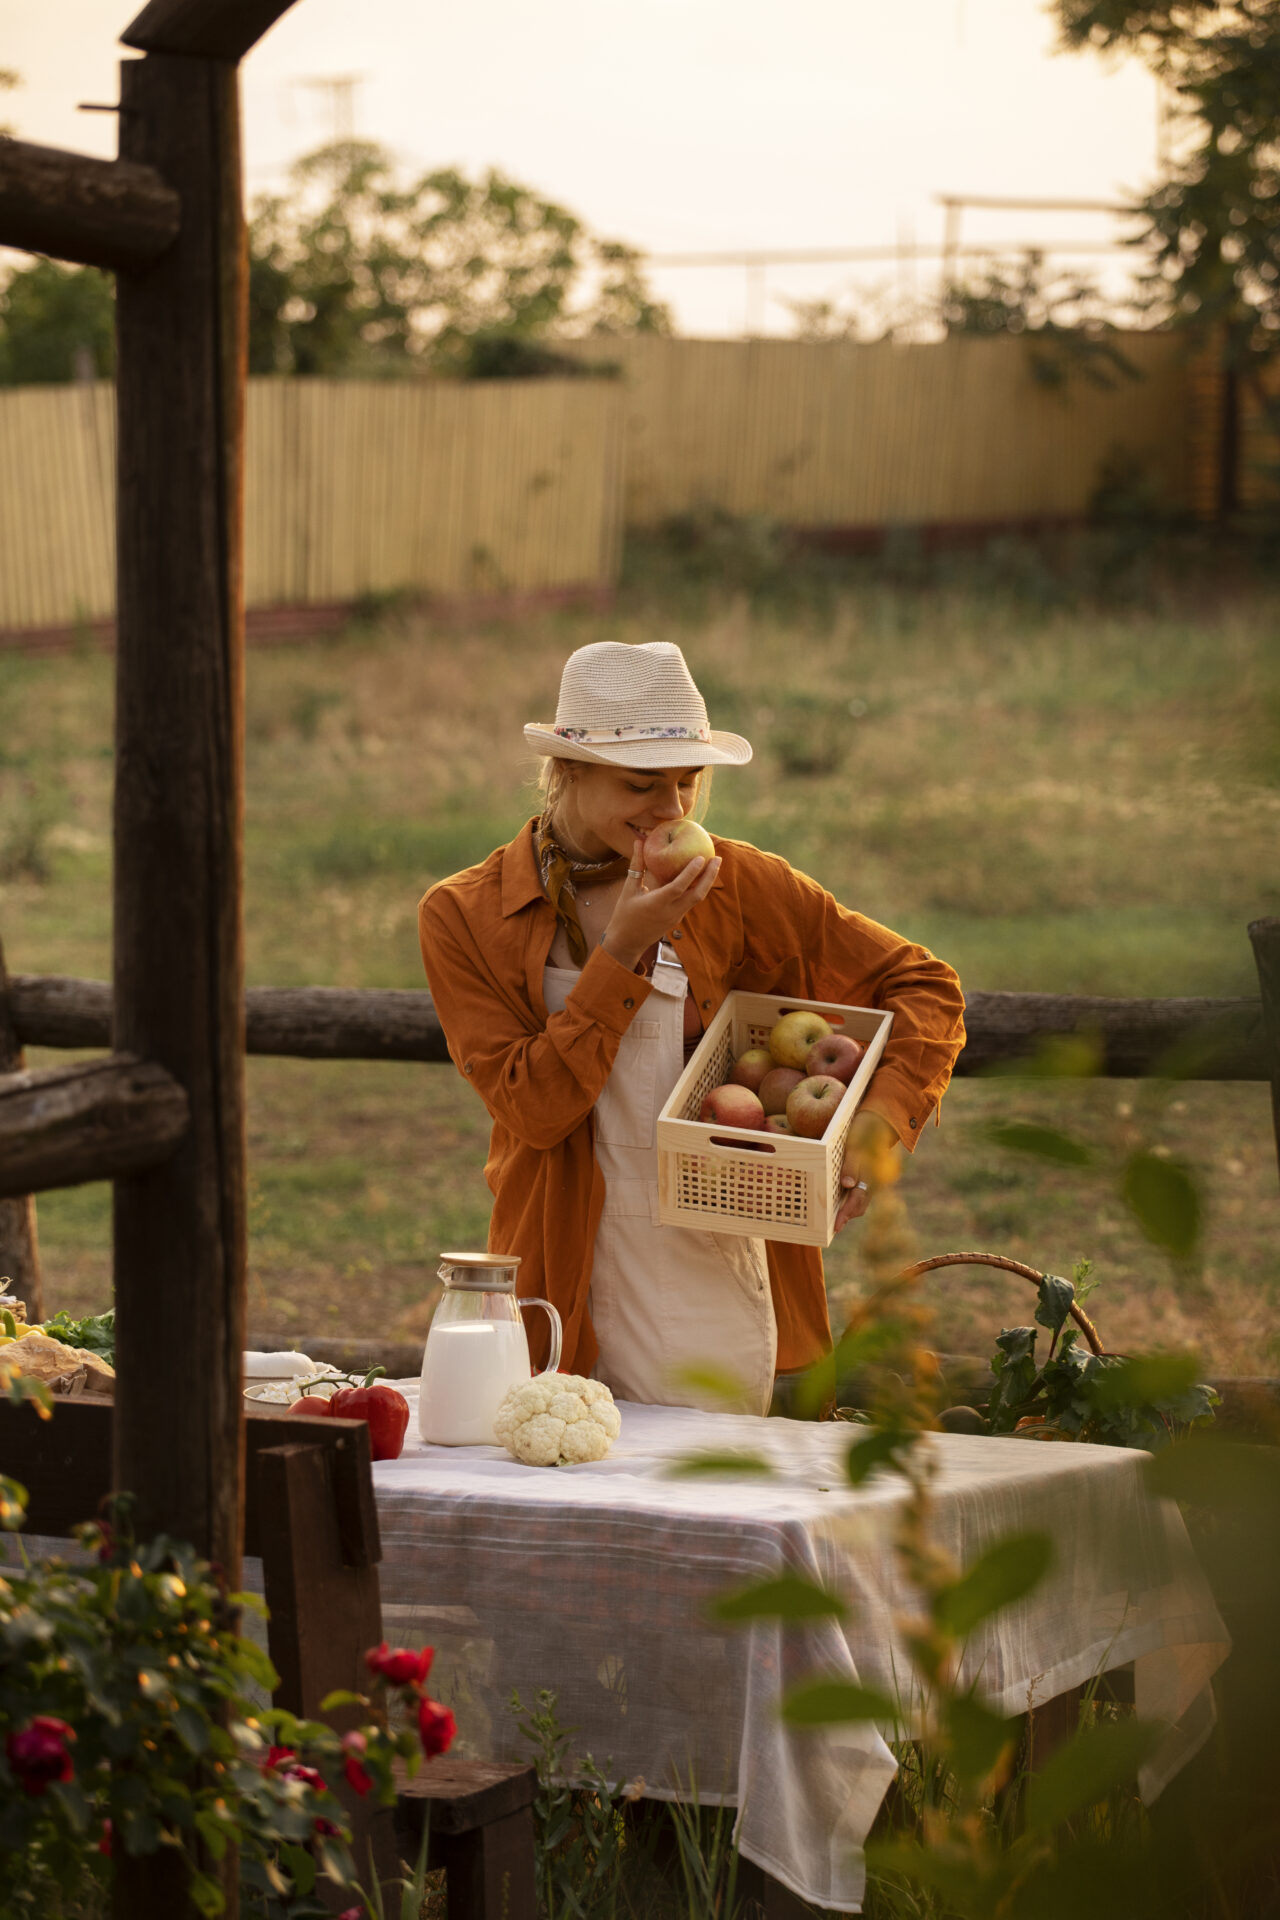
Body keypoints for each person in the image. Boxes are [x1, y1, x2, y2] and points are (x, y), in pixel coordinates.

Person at [419, 640, 965, 1413]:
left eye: (687, 781)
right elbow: (534, 1108)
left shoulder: (738, 884)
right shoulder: (464, 914)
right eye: (642, 783)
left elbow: (925, 984)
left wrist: (874, 1127)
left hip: (714, 1251)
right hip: (555, 1258)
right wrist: (625, 948)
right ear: (566, 771)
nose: (672, 810)